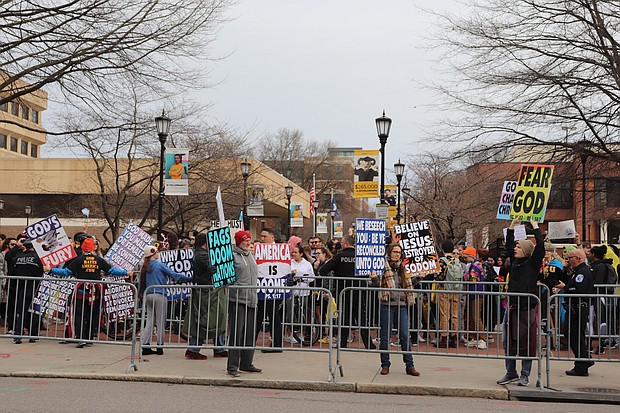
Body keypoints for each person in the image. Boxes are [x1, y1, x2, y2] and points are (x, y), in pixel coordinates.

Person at [44, 237, 128, 348]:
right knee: (92, 314)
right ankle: (89, 338)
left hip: (81, 291)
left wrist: (50, 270)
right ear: (93, 248)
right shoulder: (99, 260)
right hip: (95, 292)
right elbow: (112, 270)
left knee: (79, 314)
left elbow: (66, 272)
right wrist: (126, 272)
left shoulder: (79, 260)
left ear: (83, 249)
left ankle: (80, 337)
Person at [497, 219, 544, 387]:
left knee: (527, 343)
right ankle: (511, 372)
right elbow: (508, 247)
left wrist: (536, 227)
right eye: (516, 247)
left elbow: (540, 248)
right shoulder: (514, 263)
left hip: (526, 309)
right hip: (511, 308)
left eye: (519, 247)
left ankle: (525, 375)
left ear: (525, 250)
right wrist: (512, 227)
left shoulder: (532, 264)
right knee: (507, 342)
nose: (515, 249)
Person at [370, 243, 419, 376]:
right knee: (385, 337)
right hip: (387, 304)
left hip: (402, 305)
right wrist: (374, 279)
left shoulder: (404, 268)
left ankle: (410, 365)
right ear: (389, 253)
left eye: (399, 252)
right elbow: (376, 285)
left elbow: (409, 284)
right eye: (395, 252)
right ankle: (385, 365)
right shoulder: (382, 266)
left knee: (404, 335)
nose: (397, 254)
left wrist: (419, 277)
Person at [319, 235, 375, 349]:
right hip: (359, 292)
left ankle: (343, 344)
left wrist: (333, 282)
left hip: (343, 292)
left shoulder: (339, 256)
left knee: (344, 319)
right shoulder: (361, 256)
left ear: (345, 244)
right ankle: (369, 344)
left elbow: (323, 270)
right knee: (362, 319)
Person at [138, 245, 192, 355]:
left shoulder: (144, 267)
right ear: (154, 253)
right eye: (157, 252)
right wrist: (189, 278)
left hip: (148, 294)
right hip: (160, 294)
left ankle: (145, 345)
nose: (158, 254)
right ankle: (160, 345)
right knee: (160, 321)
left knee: (149, 321)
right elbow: (174, 275)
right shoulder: (159, 265)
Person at [182, 233, 227, 360]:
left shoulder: (200, 253)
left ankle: (219, 347)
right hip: (207, 291)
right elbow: (212, 268)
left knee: (216, 319)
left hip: (210, 290)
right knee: (207, 319)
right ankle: (194, 349)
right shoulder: (202, 255)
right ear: (206, 243)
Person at [553, 248, 595, 377]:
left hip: (578, 308)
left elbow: (577, 289)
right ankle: (585, 358)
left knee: (575, 336)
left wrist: (564, 287)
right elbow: (570, 281)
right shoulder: (577, 271)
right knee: (573, 335)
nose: (568, 260)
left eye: (570, 257)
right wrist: (565, 270)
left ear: (578, 258)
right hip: (575, 308)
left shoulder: (583, 272)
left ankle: (581, 366)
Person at [228, 230, 261, 377]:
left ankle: (247, 363)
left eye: (249, 240)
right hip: (238, 299)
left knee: (249, 333)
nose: (248, 243)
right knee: (236, 333)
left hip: (252, 299)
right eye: (245, 240)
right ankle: (232, 365)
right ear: (239, 241)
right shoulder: (232, 256)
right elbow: (227, 277)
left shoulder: (252, 255)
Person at [10, 238, 44, 344]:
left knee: (21, 311)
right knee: (34, 311)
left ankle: (18, 334)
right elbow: (41, 272)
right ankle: (33, 335)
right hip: (34, 287)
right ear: (33, 247)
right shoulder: (37, 258)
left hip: (21, 288)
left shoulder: (17, 258)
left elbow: (12, 272)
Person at [256, 228, 284, 353]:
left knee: (273, 316)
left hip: (274, 288)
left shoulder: (280, 251)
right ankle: (250, 342)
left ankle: (277, 344)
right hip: (261, 287)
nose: (262, 239)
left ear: (272, 237)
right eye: (261, 236)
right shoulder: (258, 251)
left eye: (265, 236)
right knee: (258, 315)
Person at [435, 240, 461, 348]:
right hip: (455, 289)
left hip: (444, 289)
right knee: (454, 314)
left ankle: (444, 338)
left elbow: (439, 276)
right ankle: (454, 338)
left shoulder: (442, 260)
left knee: (444, 314)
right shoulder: (457, 261)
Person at [462, 247, 488, 349]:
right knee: (472, 317)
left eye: (466, 257)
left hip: (477, 293)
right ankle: (474, 337)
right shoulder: (474, 265)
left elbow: (473, 279)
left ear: (471, 256)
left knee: (476, 316)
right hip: (474, 293)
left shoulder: (476, 266)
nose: (465, 259)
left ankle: (482, 339)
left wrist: (465, 277)